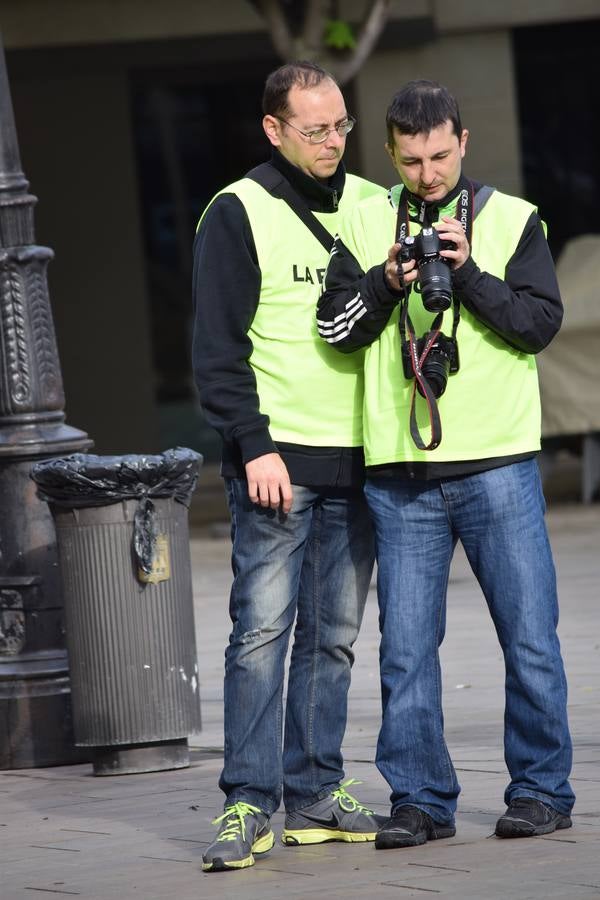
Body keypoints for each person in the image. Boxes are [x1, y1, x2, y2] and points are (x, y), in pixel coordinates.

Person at [317, 79, 575, 850]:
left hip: (497, 462)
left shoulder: (510, 219)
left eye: (438, 156)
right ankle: (421, 799)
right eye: (410, 160)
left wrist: (466, 274)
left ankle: (540, 791)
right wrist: (385, 281)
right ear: (389, 151)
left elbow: (537, 326)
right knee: (405, 652)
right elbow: (335, 328)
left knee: (530, 636)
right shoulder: (364, 219)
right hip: (401, 475)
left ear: (462, 141)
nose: (426, 175)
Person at [192, 61, 386, 873]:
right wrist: (253, 444)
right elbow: (216, 350)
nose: (333, 142)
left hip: (362, 458)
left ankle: (314, 790)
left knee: (334, 639)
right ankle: (247, 798)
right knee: (262, 634)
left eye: (341, 125)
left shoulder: (376, 205)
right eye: (315, 130)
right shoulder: (239, 211)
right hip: (277, 462)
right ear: (273, 129)